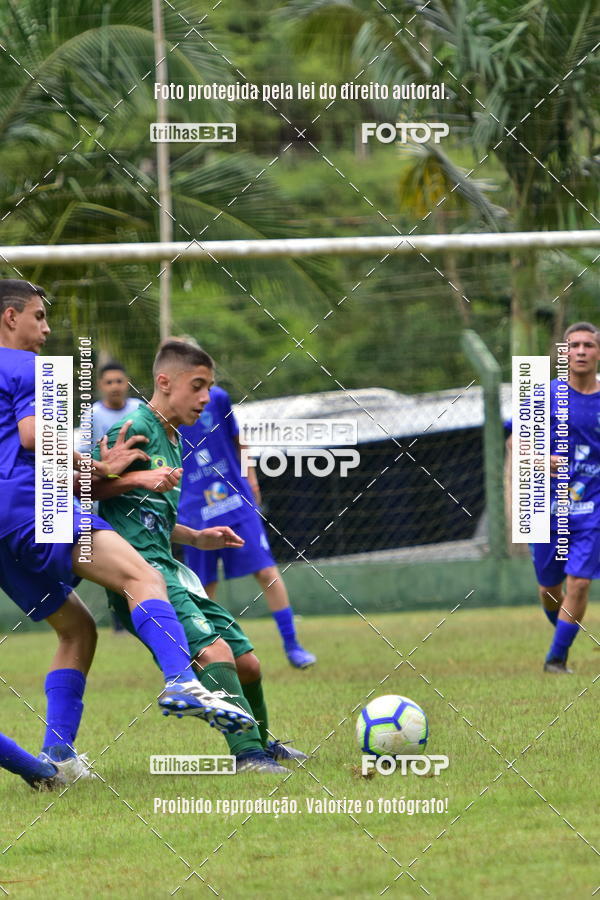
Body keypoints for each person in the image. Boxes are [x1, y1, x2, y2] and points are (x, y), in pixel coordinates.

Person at [0, 279, 254, 786]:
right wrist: (92, 463)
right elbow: (35, 439)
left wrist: (94, 470)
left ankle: (53, 763)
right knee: (144, 578)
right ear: (10, 318)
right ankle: (182, 681)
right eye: (39, 317)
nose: (47, 330)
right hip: (34, 507)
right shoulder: (31, 368)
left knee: (77, 629)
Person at [93, 340, 308, 773]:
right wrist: (138, 480)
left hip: (169, 568)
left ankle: (262, 742)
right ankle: (248, 756)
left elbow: (147, 515)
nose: (206, 398)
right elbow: (88, 493)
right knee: (215, 654)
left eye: (210, 387)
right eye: (198, 386)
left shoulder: (174, 439)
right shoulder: (135, 427)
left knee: (247, 662)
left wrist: (197, 537)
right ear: (165, 382)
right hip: (138, 575)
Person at [176, 369, 316, 669]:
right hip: (195, 510)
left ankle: (292, 646)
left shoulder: (219, 399)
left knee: (267, 572)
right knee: (203, 588)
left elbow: (238, 441)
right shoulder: (166, 413)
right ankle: (204, 657)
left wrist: (250, 477)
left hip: (236, 500)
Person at [528, 322, 600, 673]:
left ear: (598, 353)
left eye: (589, 345)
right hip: (548, 507)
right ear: (564, 353)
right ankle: (564, 633)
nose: (582, 351)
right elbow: (518, 443)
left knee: (580, 582)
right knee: (549, 590)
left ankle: (556, 660)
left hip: (592, 506)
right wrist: (541, 460)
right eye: (574, 346)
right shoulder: (545, 397)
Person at [79, 360, 141, 450]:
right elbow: (84, 451)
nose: (115, 387)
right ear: (100, 385)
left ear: (128, 382)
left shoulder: (139, 407)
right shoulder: (91, 415)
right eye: (109, 382)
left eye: (119, 381)